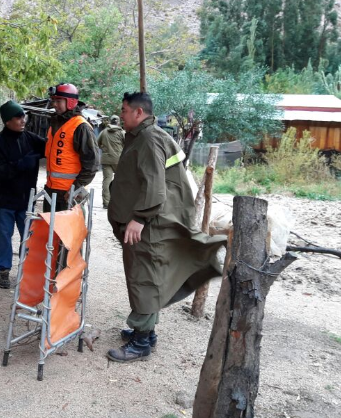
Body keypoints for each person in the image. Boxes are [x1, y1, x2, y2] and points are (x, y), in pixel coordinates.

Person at [106, 92, 227, 363]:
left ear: (139, 113)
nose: (121, 114)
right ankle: (145, 332)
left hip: (148, 225)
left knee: (144, 278)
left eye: (125, 110)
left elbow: (155, 187)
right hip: (150, 222)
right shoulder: (145, 136)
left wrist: (138, 218)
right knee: (145, 276)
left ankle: (140, 343)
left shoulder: (149, 139)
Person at [0, 100, 46, 289]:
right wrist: (25, 162)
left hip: (26, 199)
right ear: (7, 121)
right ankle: (3, 270)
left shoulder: (31, 139)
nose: (23, 120)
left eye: (23, 116)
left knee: (29, 237)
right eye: (18, 117)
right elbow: (1, 172)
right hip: (3, 200)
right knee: (3, 236)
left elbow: (52, 148)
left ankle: (27, 270)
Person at [44, 83, 99, 212]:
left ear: (70, 102)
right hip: (51, 191)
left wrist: (76, 188)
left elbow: (92, 164)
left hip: (68, 194)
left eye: (58, 101)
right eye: (53, 101)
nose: (54, 104)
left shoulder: (81, 126)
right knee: (49, 230)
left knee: (67, 232)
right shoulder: (55, 124)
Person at [96, 115, 125, 209]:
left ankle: (106, 203)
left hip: (106, 159)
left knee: (107, 181)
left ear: (110, 121)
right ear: (118, 122)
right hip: (118, 160)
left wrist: (105, 149)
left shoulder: (103, 132)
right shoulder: (122, 132)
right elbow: (127, 145)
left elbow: (97, 143)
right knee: (120, 180)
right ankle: (118, 202)